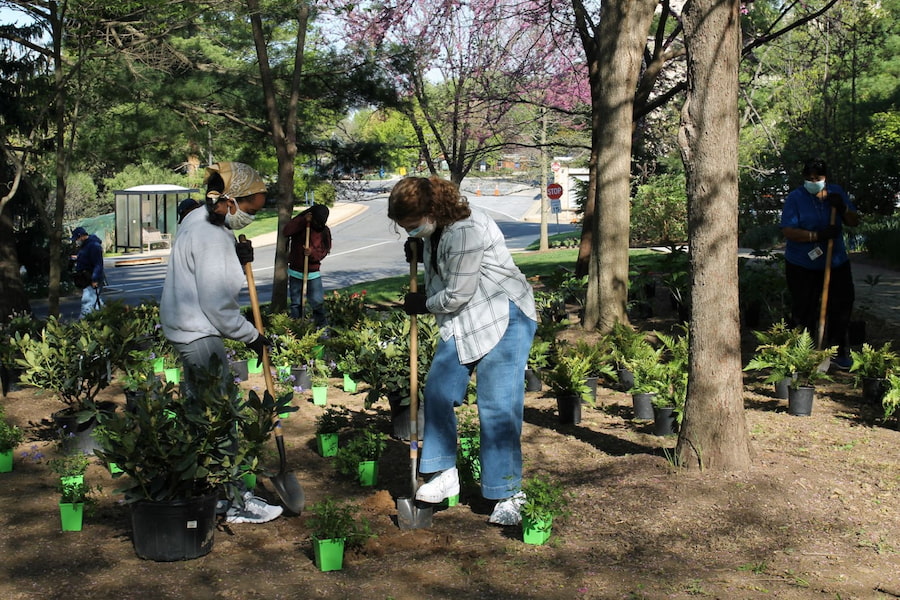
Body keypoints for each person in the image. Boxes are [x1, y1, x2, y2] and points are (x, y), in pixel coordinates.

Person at [387, 176, 538, 526]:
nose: (410, 231)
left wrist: (422, 303)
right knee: (438, 390)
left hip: (503, 316)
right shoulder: (437, 229)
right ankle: (443, 472)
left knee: (498, 405)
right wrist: (421, 254)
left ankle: (508, 493)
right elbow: (447, 270)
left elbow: (457, 293)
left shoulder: (466, 230)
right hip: (463, 322)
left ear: (432, 210)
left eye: (412, 226)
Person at [160, 161, 282, 524]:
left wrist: (235, 251)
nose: (251, 217)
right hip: (198, 332)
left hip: (187, 327)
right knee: (220, 415)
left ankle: (202, 490)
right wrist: (253, 337)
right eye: (250, 209)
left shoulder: (198, 219)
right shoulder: (212, 236)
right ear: (230, 201)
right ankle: (229, 501)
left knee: (202, 414)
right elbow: (218, 305)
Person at [780, 158, 859, 369]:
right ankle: (801, 353)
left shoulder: (836, 193)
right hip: (802, 264)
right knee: (803, 308)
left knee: (842, 304)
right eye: (809, 178)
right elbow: (789, 231)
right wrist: (817, 235)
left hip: (835, 262)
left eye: (818, 178)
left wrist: (842, 207)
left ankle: (838, 352)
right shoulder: (795, 198)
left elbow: (854, 221)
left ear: (826, 178)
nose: (813, 181)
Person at [282, 204, 332, 328]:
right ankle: (296, 327)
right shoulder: (302, 226)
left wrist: (312, 254)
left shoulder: (324, 231)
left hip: (313, 273)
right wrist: (304, 219)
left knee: (317, 302)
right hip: (296, 271)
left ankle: (322, 327)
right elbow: (287, 231)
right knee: (296, 303)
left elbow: (325, 250)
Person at [71, 226, 105, 317]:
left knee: (87, 303)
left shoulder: (93, 246)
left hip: (91, 278)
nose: (76, 242)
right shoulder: (86, 245)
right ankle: (105, 318)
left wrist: (94, 279)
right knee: (96, 303)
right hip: (87, 277)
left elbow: (98, 264)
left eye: (76, 239)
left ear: (81, 236)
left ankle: (82, 324)